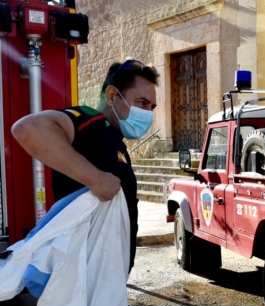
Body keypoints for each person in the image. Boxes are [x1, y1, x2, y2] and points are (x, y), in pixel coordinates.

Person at [12, 59, 159, 272]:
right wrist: (95, 179)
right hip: (79, 274)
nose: (148, 113)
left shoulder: (115, 138)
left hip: (103, 275)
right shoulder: (92, 120)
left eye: (152, 107)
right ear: (111, 96)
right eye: (142, 103)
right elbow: (27, 128)